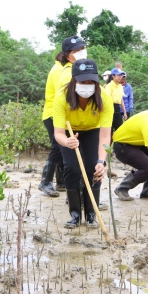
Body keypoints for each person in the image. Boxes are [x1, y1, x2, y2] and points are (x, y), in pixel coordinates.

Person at [53, 59, 113, 229]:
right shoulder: (61, 97)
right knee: (72, 168)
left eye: (90, 82)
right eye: (82, 81)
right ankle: (75, 214)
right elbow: (58, 134)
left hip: (93, 131)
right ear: (74, 80)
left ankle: (91, 214)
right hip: (70, 133)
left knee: (93, 169)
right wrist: (67, 141)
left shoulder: (104, 97)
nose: (86, 85)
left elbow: (105, 136)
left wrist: (102, 162)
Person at [39, 36, 86, 198]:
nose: (81, 53)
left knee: (62, 148)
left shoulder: (64, 67)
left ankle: (60, 182)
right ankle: (45, 181)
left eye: (82, 49)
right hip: (54, 113)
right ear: (67, 54)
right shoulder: (61, 70)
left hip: (57, 113)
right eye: (77, 51)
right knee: (59, 147)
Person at [105, 68, 127, 134]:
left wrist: (124, 112)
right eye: (118, 75)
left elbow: (121, 99)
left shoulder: (120, 86)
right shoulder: (109, 86)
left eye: (121, 75)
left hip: (117, 108)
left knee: (119, 128)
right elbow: (107, 99)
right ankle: (108, 143)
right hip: (110, 107)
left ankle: (118, 144)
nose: (120, 77)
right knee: (110, 129)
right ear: (113, 76)